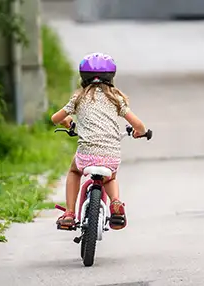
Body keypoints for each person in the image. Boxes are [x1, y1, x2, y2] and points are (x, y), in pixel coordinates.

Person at [51, 52, 147, 230]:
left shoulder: (78, 99)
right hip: (110, 154)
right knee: (109, 178)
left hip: (86, 154)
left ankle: (70, 213)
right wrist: (139, 132)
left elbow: (55, 118)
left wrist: (66, 121)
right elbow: (139, 125)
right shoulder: (116, 99)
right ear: (111, 76)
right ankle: (116, 202)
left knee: (74, 171)